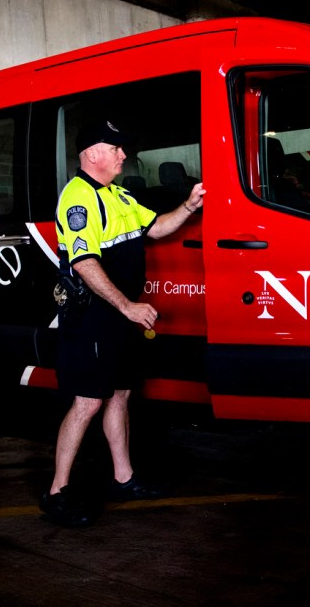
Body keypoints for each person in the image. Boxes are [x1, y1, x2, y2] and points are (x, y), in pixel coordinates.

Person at [40, 119, 205, 528]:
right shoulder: (77, 198)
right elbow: (84, 263)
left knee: (119, 395)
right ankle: (57, 491)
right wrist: (128, 306)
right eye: (115, 149)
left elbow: (158, 227)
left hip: (119, 317)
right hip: (94, 316)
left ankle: (123, 478)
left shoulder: (119, 195)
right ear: (91, 153)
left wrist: (188, 205)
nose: (122, 155)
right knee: (88, 402)